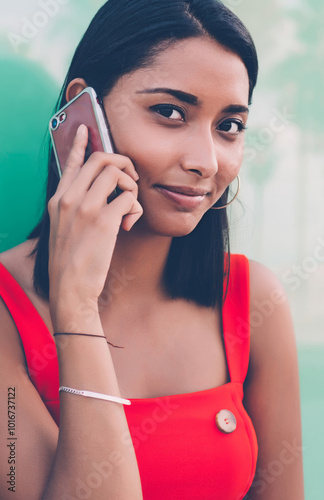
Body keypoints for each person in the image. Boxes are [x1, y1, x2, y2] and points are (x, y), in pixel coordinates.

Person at [0, 0, 304, 498]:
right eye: (169, 112)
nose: (206, 161)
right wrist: (76, 310)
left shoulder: (254, 301)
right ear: (83, 112)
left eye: (229, 126)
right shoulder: (5, 312)